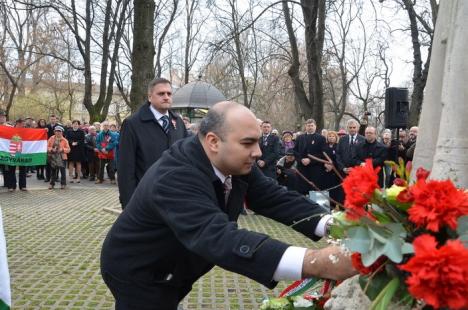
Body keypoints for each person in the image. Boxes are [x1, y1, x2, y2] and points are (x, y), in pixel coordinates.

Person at [100, 102, 356, 309]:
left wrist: (337, 226)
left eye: (257, 141)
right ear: (213, 141)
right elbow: (219, 237)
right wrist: (316, 262)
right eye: (248, 143)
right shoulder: (175, 177)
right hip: (140, 271)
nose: (257, 152)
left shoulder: (232, 160)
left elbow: (272, 197)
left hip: (175, 263)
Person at [118, 77, 188, 208]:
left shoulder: (178, 123)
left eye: (169, 93)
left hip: (176, 198)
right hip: (146, 200)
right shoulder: (132, 124)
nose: (166, 97)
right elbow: (125, 168)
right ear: (150, 97)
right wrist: (128, 204)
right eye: (161, 94)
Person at [293, 119, 327, 195]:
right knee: (302, 190)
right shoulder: (300, 138)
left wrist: (310, 160)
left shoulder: (321, 138)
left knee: (314, 191)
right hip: (302, 169)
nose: (310, 127)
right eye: (308, 126)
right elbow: (295, 151)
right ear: (305, 126)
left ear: (315, 126)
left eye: (312, 126)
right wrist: (301, 159)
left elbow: (323, 154)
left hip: (315, 169)